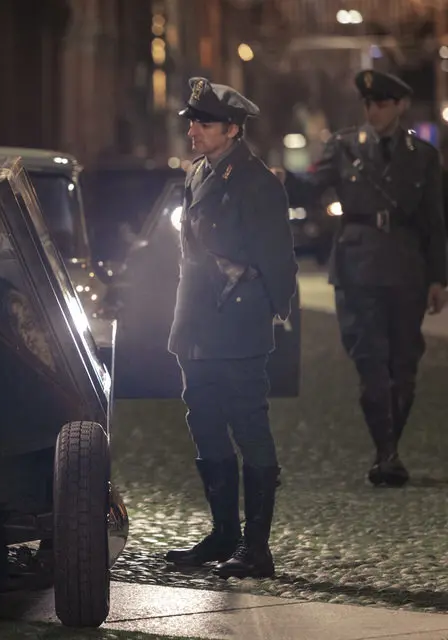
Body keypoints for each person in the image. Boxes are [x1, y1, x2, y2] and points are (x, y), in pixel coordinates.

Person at [278, 70, 448, 487]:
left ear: (400, 106)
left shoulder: (423, 156)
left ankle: (390, 446)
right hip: (357, 265)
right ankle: (386, 453)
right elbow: (310, 186)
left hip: (406, 267)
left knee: (403, 364)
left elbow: (434, 221)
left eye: (382, 104)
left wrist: (438, 278)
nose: (373, 111)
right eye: (369, 104)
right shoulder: (344, 147)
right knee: (370, 360)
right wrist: (280, 179)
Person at [163, 77, 298, 579]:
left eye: (204, 123)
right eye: (192, 122)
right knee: (204, 423)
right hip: (197, 322)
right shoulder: (198, 173)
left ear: (233, 129)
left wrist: (267, 310)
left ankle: (256, 548)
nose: (193, 130)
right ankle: (224, 533)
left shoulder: (256, 182)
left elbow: (279, 262)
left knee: (248, 426)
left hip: (237, 324)